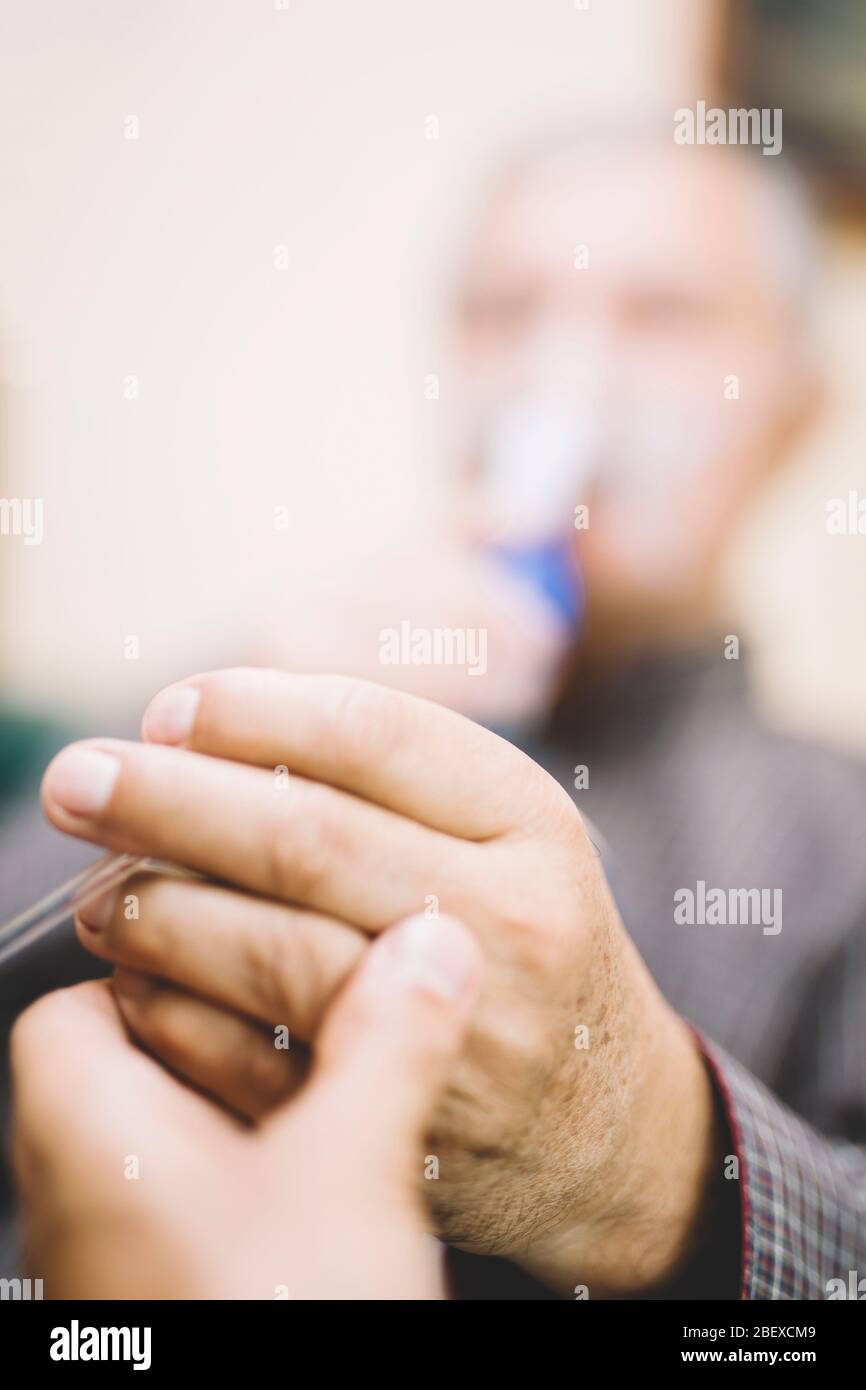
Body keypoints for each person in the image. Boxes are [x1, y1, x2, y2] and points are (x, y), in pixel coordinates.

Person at [7, 125, 866, 1299]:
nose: (565, 370)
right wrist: (211, 739)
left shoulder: (839, 838)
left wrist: (664, 1164)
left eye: (661, 313)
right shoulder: (230, 690)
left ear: (794, 411)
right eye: (504, 311)